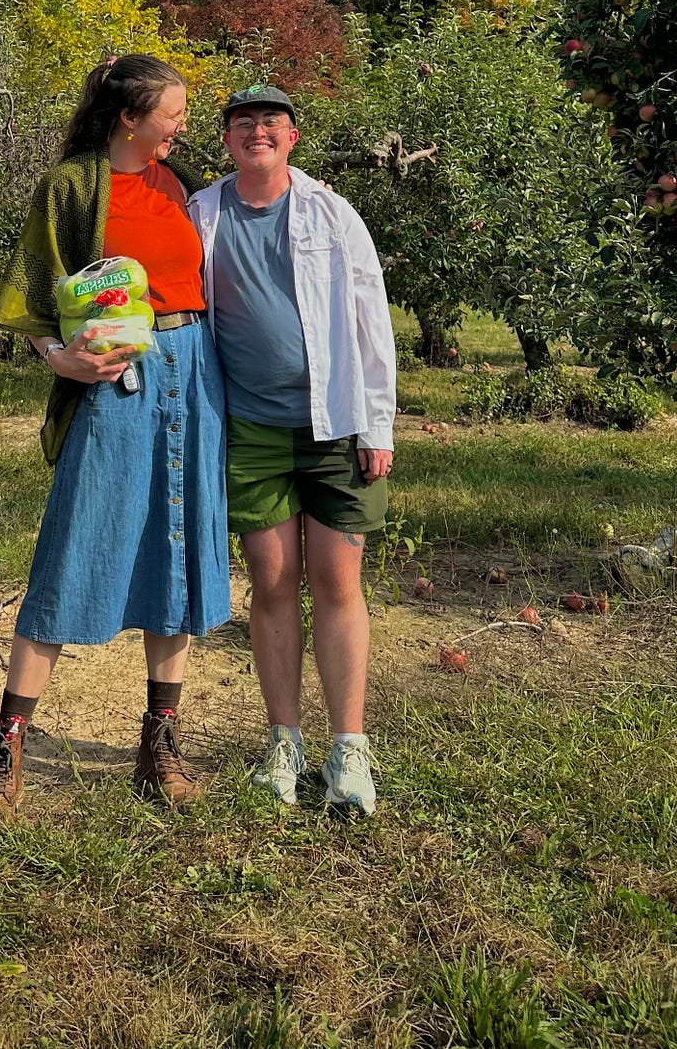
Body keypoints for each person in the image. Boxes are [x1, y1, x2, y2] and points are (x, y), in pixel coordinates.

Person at [0, 53, 229, 817]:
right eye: (173, 112)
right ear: (130, 116)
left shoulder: (178, 185)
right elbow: (30, 294)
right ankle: (5, 747)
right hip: (119, 378)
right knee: (74, 544)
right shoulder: (72, 186)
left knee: (180, 553)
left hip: (195, 371)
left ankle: (158, 746)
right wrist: (61, 357)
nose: (183, 124)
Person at [187, 85, 396, 817]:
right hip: (250, 428)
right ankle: (284, 743)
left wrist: (378, 424)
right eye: (243, 123)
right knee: (272, 584)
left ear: (293, 137)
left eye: (271, 122)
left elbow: (371, 313)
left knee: (338, 581)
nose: (257, 132)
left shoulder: (331, 213)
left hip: (334, 423)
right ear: (226, 140)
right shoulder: (203, 213)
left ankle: (349, 749)